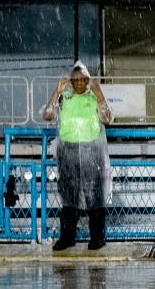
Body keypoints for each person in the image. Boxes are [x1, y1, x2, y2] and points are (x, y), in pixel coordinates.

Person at [41, 62, 113, 252]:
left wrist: (99, 93)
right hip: (69, 152)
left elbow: (107, 118)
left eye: (83, 79)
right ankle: (67, 237)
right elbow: (47, 115)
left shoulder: (93, 97)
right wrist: (56, 92)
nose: (79, 83)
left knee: (94, 196)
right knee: (69, 196)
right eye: (75, 80)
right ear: (71, 82)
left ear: (88, 80)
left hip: (92, 152)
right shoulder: (64, 98)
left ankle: (97, 238)